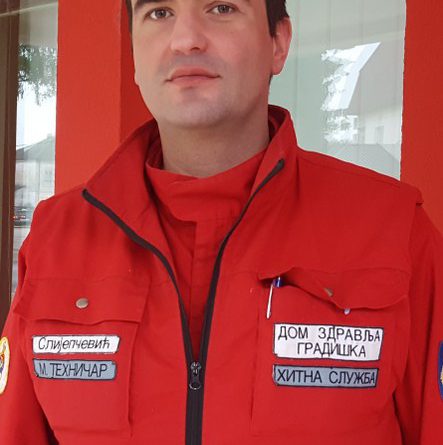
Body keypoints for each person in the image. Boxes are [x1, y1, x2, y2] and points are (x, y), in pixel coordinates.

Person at [0, 0, 442, 443]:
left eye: (222, 8)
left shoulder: (392, 231)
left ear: (278, 43)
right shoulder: (56, 238)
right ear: (134, 54)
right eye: (159, 13)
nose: (185, 39)